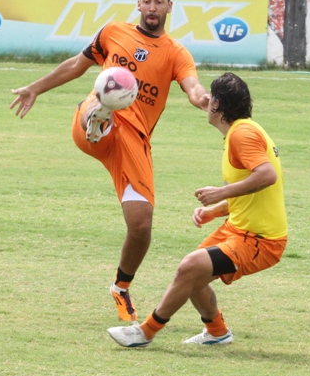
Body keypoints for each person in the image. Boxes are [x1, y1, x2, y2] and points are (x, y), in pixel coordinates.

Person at [10, 0, 210, 322]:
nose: (151, 7)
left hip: (134, 142)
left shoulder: (177, 53)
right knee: (102, 98)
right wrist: (35, 88)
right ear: (138, 3)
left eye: (158, 1)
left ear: (169, 7)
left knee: (141, 225)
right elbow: (77, 65)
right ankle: (97, 117)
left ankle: (120, 288)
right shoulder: (113, 32)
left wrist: (202, 99)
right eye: (146, 0)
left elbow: (192, 86)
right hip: (97, 124)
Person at [107, 72, 288, 347]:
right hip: (239, 228)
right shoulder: (244, 129)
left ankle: (145, 332)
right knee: (192, 273)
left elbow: (266, 177)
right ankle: (217, 331)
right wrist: (215, 210)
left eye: (211, 98)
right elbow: (256, 192)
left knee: (190, 267)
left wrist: (221, 191)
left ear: (217, 105)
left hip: (260, 240)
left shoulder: (242, 134)